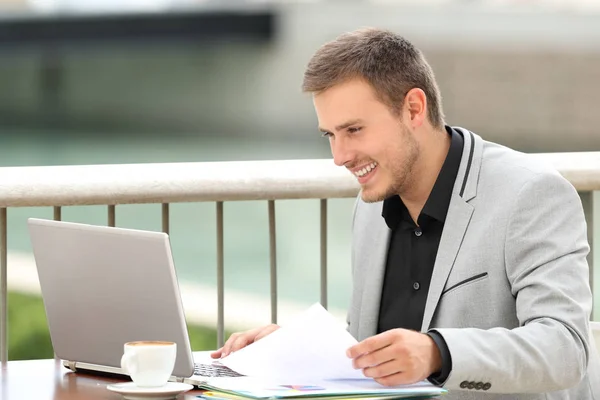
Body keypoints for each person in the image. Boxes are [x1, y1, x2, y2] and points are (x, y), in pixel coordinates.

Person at [211, 28, 600, 399]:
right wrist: (292, 350)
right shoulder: (370, 208)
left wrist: (437, 352)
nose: (340, 157)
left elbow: (565, 348)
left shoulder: (531, 193)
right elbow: (372, 353)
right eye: (330, 135)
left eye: (354, 130)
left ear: (413, 108)